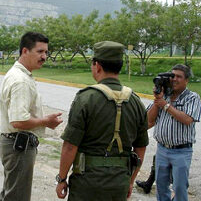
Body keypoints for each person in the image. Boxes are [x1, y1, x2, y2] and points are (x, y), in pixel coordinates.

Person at [55, 41, 149, 201]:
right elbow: (140, 149)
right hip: (119, 182)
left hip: (87, 182)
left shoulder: (86, 99)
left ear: (97, 66)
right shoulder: (136, 102)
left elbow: (70, 146)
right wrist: (130, 181)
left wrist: (62, 179)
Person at [0, 31, 63, 201]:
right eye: (40, 52)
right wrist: (46, 121)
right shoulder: (21, 81)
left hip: (15, 144)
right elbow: (18, 121)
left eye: (46, 52)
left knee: (10, 193)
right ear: (25, 51)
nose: (44, 56)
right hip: (18, 145)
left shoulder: (20, 75)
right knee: (16, 196)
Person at [147, 64, 201, 201]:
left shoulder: (192, 97)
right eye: (172, 76)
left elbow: (188, 119)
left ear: (186, 80)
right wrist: (157, 101)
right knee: (161, 186)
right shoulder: (163, 96)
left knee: (179, 187)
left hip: (181, 151)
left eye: (179, 77)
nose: (174, 79)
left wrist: (165, 105)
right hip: (162, 150)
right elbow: (149, 120)